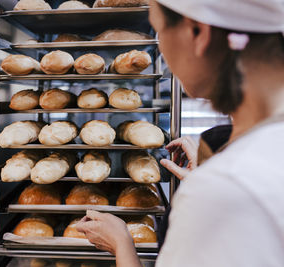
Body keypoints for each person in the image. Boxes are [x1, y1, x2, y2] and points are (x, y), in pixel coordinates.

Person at [76, 0, 284, 266]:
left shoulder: (223, 189)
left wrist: (121, 243)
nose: (160, 49)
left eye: (159, 31)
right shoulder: (250, 165)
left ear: (198, 33)